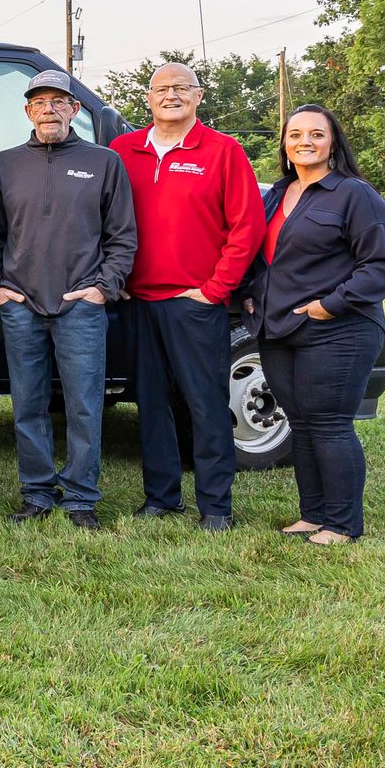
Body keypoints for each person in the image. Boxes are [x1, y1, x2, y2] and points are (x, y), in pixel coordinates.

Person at [0, 71, 137, 530]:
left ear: (74, 109)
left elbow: (122, 236)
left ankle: (81, 498)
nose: (48, 109)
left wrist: (102, 288)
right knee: (27, 404)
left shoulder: (104, 162)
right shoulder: (4, 165)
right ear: (27, 111)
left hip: (81, 306)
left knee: (84, 406)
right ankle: (36, 493)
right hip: (21, 305)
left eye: (58, 101)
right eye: (39, 102)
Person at [114, 62, 264, 531]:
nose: (171, 95)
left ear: (199, 96)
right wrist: (114, 277)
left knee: (205, 405)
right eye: (161, 88)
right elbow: (101, 218)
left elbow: (248, 227)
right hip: (138, 302)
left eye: (182, 87)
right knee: (151, 404)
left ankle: (216, 507)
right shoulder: (123, 150)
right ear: (148, 97)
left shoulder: (223, 151)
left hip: (194, 302)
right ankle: (161, 498)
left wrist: (216, 289)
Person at [241, 105, 385, 546]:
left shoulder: (355, 195)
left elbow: (380, 265)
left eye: (316, 133)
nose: (304, 142)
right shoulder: (276, 194)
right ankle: (313, 516)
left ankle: (343, 524)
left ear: (333, 143)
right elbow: (262, 256)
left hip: (339, 329)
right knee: (302, 423)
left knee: (329, 423)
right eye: (295, 134)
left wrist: (328, 306)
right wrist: (251, 294)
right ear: (284, 144)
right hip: (278, 330)